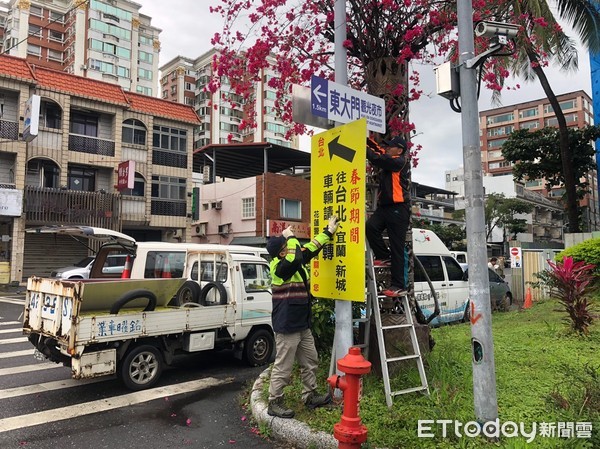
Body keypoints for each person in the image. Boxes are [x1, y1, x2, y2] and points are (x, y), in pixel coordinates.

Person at [265, 215, 340, 419]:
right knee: (284, 366)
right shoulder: (278, 268)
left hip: (302, 324)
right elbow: (297, 256)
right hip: (287, 325)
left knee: (310, 360)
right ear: (282, 251)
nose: (291, 248)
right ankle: (274, 401)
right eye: (287, 247)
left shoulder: (293, 262)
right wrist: (290, 237)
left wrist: (329, 231)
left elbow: (312, 248)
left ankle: (310, 395)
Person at [366, 135, 411, 297]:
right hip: (385, 208)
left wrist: (362, 148)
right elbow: (378, 150)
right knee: (370, 227)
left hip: (399, 209)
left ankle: (399, 286)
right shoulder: (390, 159)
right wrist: (364, 139)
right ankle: (384, 256)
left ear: (399, 150)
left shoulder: (399, 162)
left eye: (391, 147)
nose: (387, 148)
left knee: (397, 247)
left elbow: (377, 157)